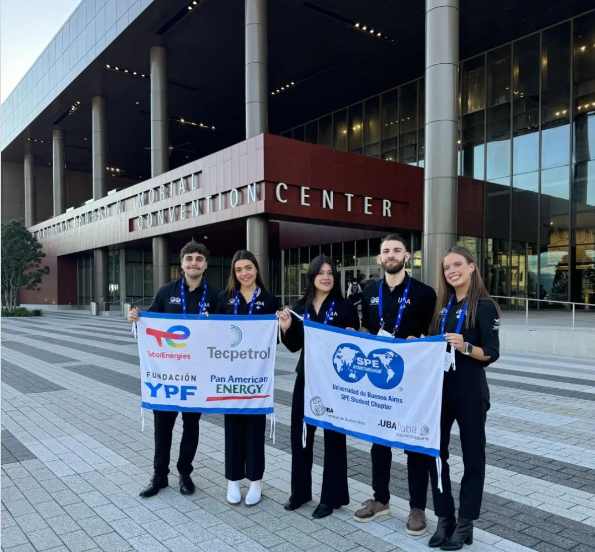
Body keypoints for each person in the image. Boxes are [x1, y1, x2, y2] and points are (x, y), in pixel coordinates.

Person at [353, 234, 437, 537]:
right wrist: (356, 333)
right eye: (386, 251)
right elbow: (370, 327)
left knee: (414, 444)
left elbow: (432, 336)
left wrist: (423, 341)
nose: (391, 255)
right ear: (379, 258)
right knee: (379, 441)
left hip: (412, 381)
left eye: (397, 250)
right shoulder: (370, 290)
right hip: (380, 379)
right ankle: (381, 499)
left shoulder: (425, 293)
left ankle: (417, 508)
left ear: (407, 256)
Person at [128, 240, 220, 498]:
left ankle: (185, 472)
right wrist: (137, 318)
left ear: (205, 264)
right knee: (163, 427)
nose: (194, 263)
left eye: (199, 259)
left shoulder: (215, 296)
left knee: (192, 427)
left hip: (198, 375)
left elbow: (225, 333)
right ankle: (159, 475)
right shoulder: (166, 291)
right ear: (181, 264)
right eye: (189, 259)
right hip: (166, 374)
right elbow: (151, 324)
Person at [427, 246, 500, 551]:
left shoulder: (484, 306)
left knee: (473, 457)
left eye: (457, 265)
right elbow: (435, 343)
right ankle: (445, 517)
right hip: (439, 392)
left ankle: (466, 522)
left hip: (470, 391)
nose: (451, 271)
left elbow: (492, 353)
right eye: (446, 268)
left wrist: (466, 347)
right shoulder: (443, 306)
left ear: (472, 267)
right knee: (435, 452)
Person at [278, 255, 360, 519]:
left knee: (334, 438)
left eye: (330, 273)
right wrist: (286, 328)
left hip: (335, 382)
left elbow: (354, 343)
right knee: (301, 436)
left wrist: (352, 333)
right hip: (307, 378)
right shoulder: (299, 307)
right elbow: (293, 346)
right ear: (311, 277)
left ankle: (331, 497)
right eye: (320, 273)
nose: (326, 277)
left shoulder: (345, 306)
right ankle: (300, 492)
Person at [215, 250, 280, 506]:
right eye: (239, 269)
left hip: (257, 378)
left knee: (255, 429)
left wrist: (282, 326)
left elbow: (273, 340)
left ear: (256, 270)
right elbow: (210, 334)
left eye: (249, 268)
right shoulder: (223, 299)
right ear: (234, 272)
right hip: (230, 377)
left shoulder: (270, 301)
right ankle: (233, 480)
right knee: (232, 428)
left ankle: (255, 481)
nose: (244, 273)